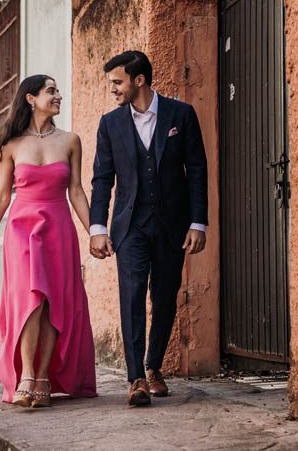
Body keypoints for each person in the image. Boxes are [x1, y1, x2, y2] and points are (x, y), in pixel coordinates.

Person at [89, 51, 209, 406]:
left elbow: (197, 171)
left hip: (173, 224)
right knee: (132, 295)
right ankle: (136, 378)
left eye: (117, 82)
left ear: (138, 80)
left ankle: (154, 366)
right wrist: (98, 226)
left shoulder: (180, 114)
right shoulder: (109, 124)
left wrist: (197, 222)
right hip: (130, 227)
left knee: (165, 295)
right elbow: (101, 179)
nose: (112, 89)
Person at [0, 74, 97, 408]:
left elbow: (76, 190)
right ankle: (26, 374)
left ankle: (44, 376)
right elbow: (2, 196)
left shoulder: (71, 140)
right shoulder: (11, 146)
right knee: (31, 301)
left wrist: (95, 233)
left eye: (58, 91)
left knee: (55, 303)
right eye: (51, 91)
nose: (59, 96)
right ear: (31, 98)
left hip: (58, 227)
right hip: (20, 229)